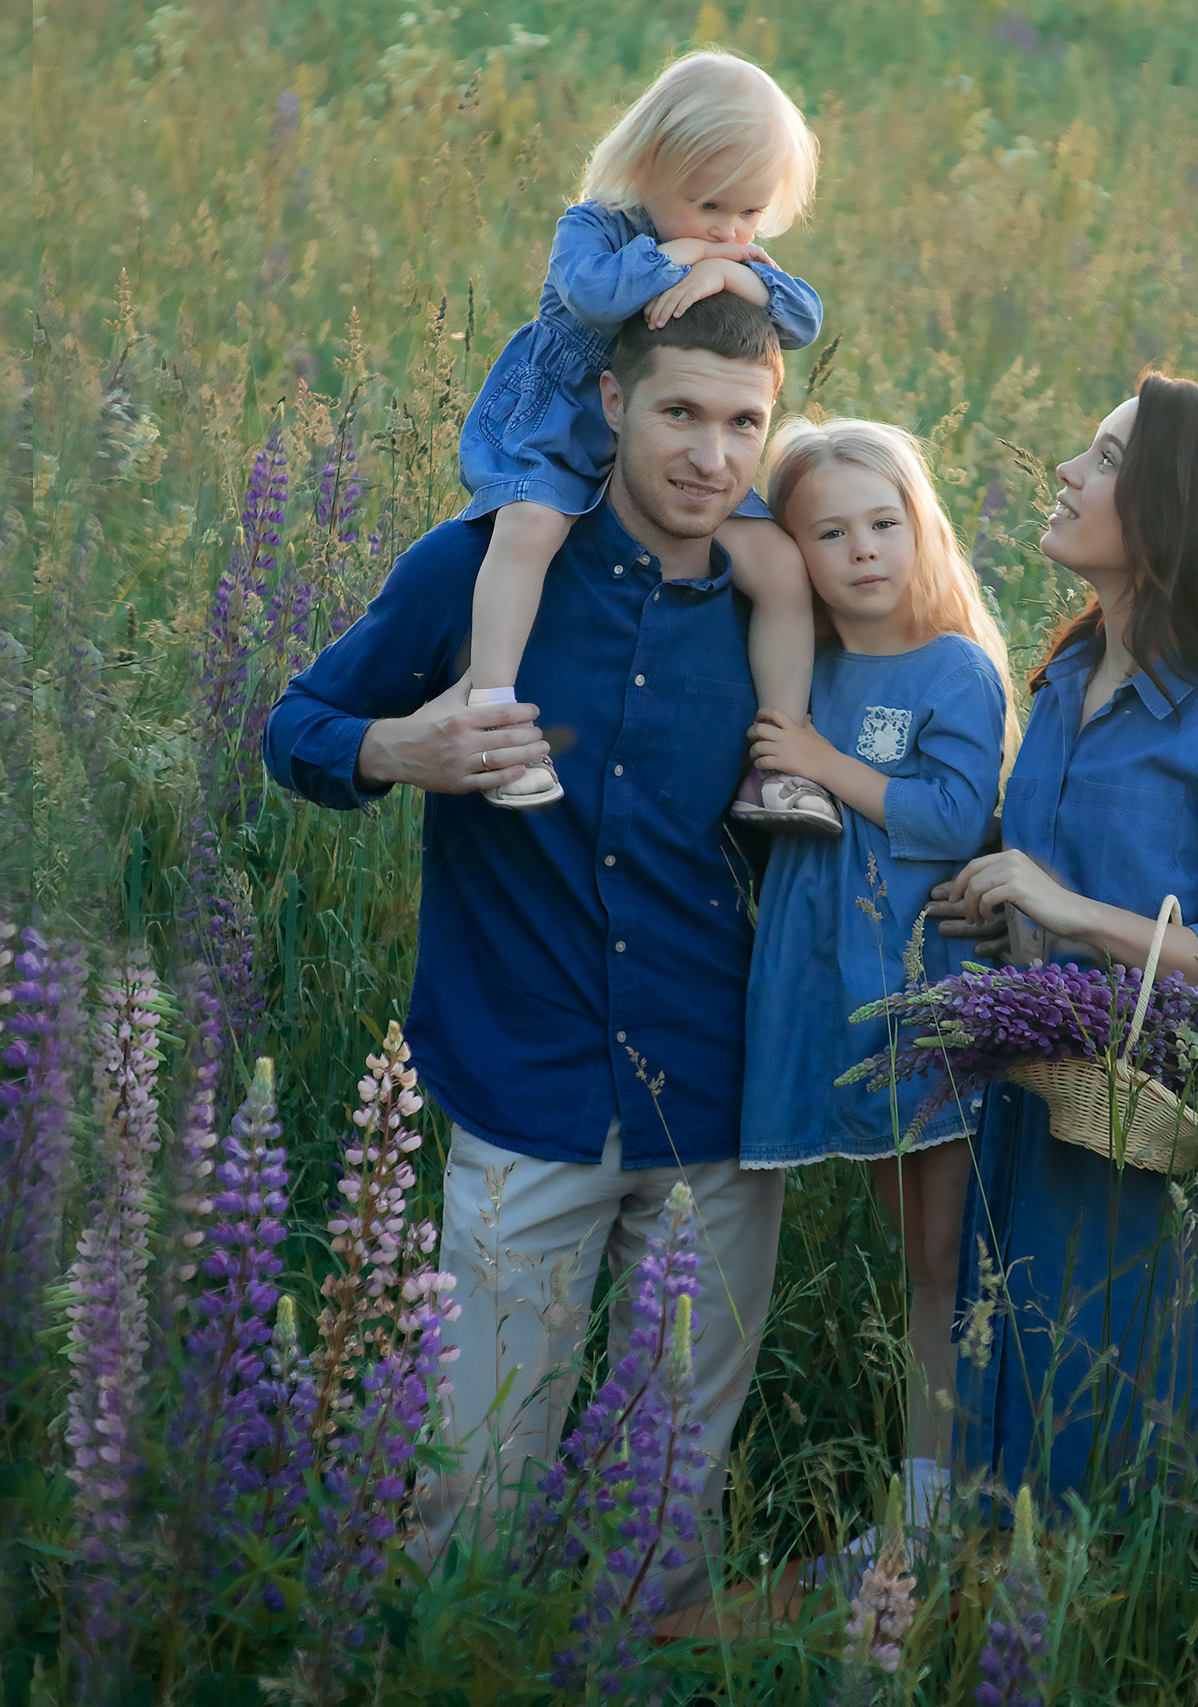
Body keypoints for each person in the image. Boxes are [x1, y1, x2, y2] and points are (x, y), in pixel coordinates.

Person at [262, 291, 796, 1608]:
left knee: (670, 1494)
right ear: (612, 404)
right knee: (473, 1482)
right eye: (680, 411)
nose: (711, 456)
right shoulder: (479, 570)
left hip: (718, 1103)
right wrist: (398, 746)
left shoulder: (783, 596)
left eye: (746, 424)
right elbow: (296, 722)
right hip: (524, 1092)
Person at [929, 372, 1198, 1508]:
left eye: (1108, 459)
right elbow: (1063, 883)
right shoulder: (1068, 675)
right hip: (1044, 1111)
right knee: (1019, 1436)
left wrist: (1069, 910)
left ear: (1174, 510)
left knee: (1146, 1474)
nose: (1069, 472)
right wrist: (1008, 910)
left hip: (1167, 1146)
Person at [734, 418, 1015, 1542]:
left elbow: (949, 816)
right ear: (789, 554)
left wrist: (818, 759)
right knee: (909, 1258)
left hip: (923, 995)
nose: (862, 551)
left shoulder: (954, 666)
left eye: (884, 524)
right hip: (822, 992)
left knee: (943, 1262)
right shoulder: (806, 667)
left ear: (922, 530)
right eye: (830, 531)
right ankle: (915, 1486)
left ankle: (934, 1501)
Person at [455, 48, 840, 836]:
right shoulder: (592, 226)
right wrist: (686, 256)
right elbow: (598, 297)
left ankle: (778, 758)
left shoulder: (731, 244)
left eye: (751, 216)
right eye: (711, 207)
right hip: (560, 419)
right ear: (653, 165)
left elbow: (803, 318)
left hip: (666, 453)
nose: (732, 229)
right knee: (529, 528)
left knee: (779, 566)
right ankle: (493, 714)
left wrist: (735, 274)